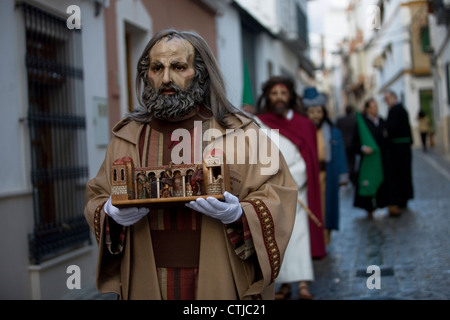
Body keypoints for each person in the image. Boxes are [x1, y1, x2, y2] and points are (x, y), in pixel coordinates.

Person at [84, 29, 298, 300]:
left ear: (201, 72)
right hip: (145, 278)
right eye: (156, 67)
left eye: (178, 67)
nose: (165, 78)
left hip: (218, 275)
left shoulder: (243, 132)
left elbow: (280, 192)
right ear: (146, 73)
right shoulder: (127, 137)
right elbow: (97, 195)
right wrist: (111, 214)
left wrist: (241, 215)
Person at [253, 76, 324, 300]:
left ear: (291, 96)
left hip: (298, 191)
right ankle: (282, 285)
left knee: (299, 237)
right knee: (276, 239)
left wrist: (292, 182)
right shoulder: (260, 123)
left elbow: (308, 161)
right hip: (273, 191)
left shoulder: (304, 124)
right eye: (274, 93)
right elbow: (259, 157)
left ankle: (302, 283)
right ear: (268, 97)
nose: (279, 98)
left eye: (283, 93)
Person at [303, 87, 348, 246]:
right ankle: (312, 241)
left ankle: (324, 239)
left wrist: (342, 176)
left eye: (318, 111)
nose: (316, 115)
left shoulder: (333, 133)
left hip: (328, 174)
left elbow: (340, 155)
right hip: (309, 177)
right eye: (312, 111)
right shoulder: (304, 132)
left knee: (327, 208)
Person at [352, 98, 389, 219]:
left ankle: (381, 205)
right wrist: (363, 148)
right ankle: (369, 209)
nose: (376, 108)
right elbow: (354, 143)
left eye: (376, 106)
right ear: (367, 109)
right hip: (368, 161)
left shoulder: (382, 121)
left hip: (381, 160)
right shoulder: (362, 124)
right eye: (373, 106)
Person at [383, 90, 414, 216]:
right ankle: (404, 197)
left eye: (387, 98)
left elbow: (390, 129)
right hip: (402, 147)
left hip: (398, 149)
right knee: (404, 173)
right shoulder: (400, 109)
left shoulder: (395, 110)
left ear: (394, 97)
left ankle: (402, 198)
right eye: (385, 99)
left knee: (401, 173)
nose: (386, 101)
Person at [336, 105, 358, 186]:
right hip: (352, 144)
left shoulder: (340, 120)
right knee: (352, 161)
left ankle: (346, 176)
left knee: (345, 160)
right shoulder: (355, 119)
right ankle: (350, 176)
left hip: (343, 143)